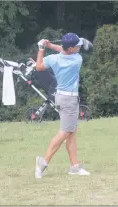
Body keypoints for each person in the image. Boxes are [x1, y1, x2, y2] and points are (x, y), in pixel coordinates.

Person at [35, 33, 90, 178]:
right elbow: (63, 50)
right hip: (69, 101)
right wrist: (50, 45)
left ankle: (74, 167)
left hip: (60, 97)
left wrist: (42, 48)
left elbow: (39, 66)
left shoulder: (54, 59)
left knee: (71, 133)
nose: (79, 47)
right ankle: (43, 162)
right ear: (71, 49)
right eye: (77, 46)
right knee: (65, 132)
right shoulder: (77, 59)